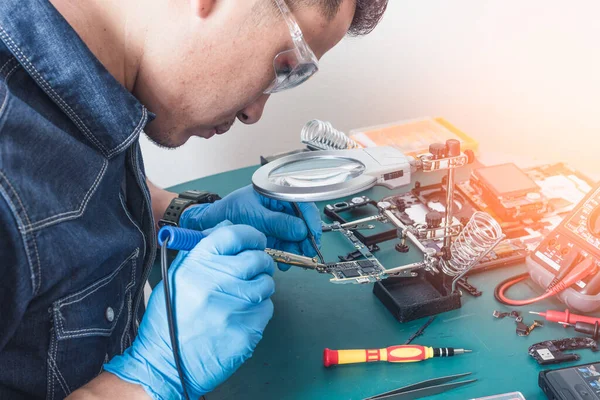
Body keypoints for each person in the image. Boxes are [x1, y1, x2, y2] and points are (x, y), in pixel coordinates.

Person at [0, 0, 388, 398]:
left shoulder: (91, 66)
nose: (255, 112)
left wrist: (186, 216)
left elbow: (67, 194)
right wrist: (149, 379)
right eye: (283, 68)